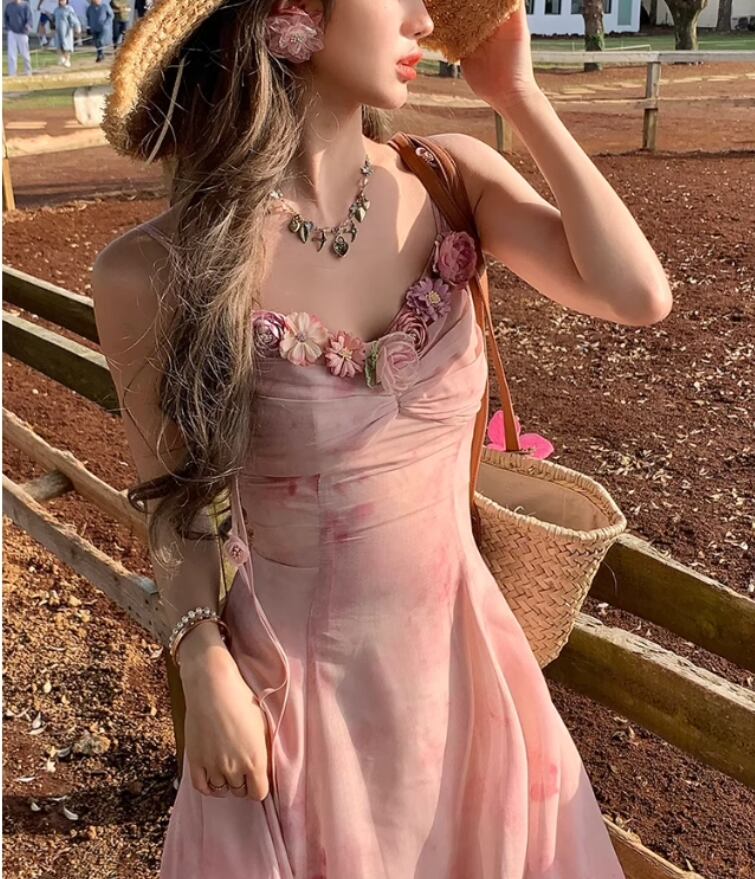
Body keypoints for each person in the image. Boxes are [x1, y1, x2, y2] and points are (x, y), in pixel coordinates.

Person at [93, 1, 672, 876]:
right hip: (297, 710)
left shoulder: (450, 181)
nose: (423, 18)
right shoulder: (148, 270)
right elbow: (173, 504)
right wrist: (202, 661)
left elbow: (636, 294)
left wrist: (516, 94)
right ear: (290, 14)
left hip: (471, 680)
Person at [4, 0, 33, 75]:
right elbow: (6, 18)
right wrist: (8, 27)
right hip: (12, 32)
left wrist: (27, 27)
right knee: (12, 55)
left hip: (22, 32)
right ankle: (12, 74)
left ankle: (28, 72)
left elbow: (29, 19)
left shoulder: (25, 6)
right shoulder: (9, 6)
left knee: (25, 54)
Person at [51, 0, 81, 67]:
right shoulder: (56, 10)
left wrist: (77, 27)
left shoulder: (69, 9)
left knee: (67, 45)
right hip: (58, 30)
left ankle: (67, 60)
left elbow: (74, 19)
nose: (62, 1)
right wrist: (53, 28)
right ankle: (61, 58)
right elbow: (53, 20)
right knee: (58, 44)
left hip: (66, 30)